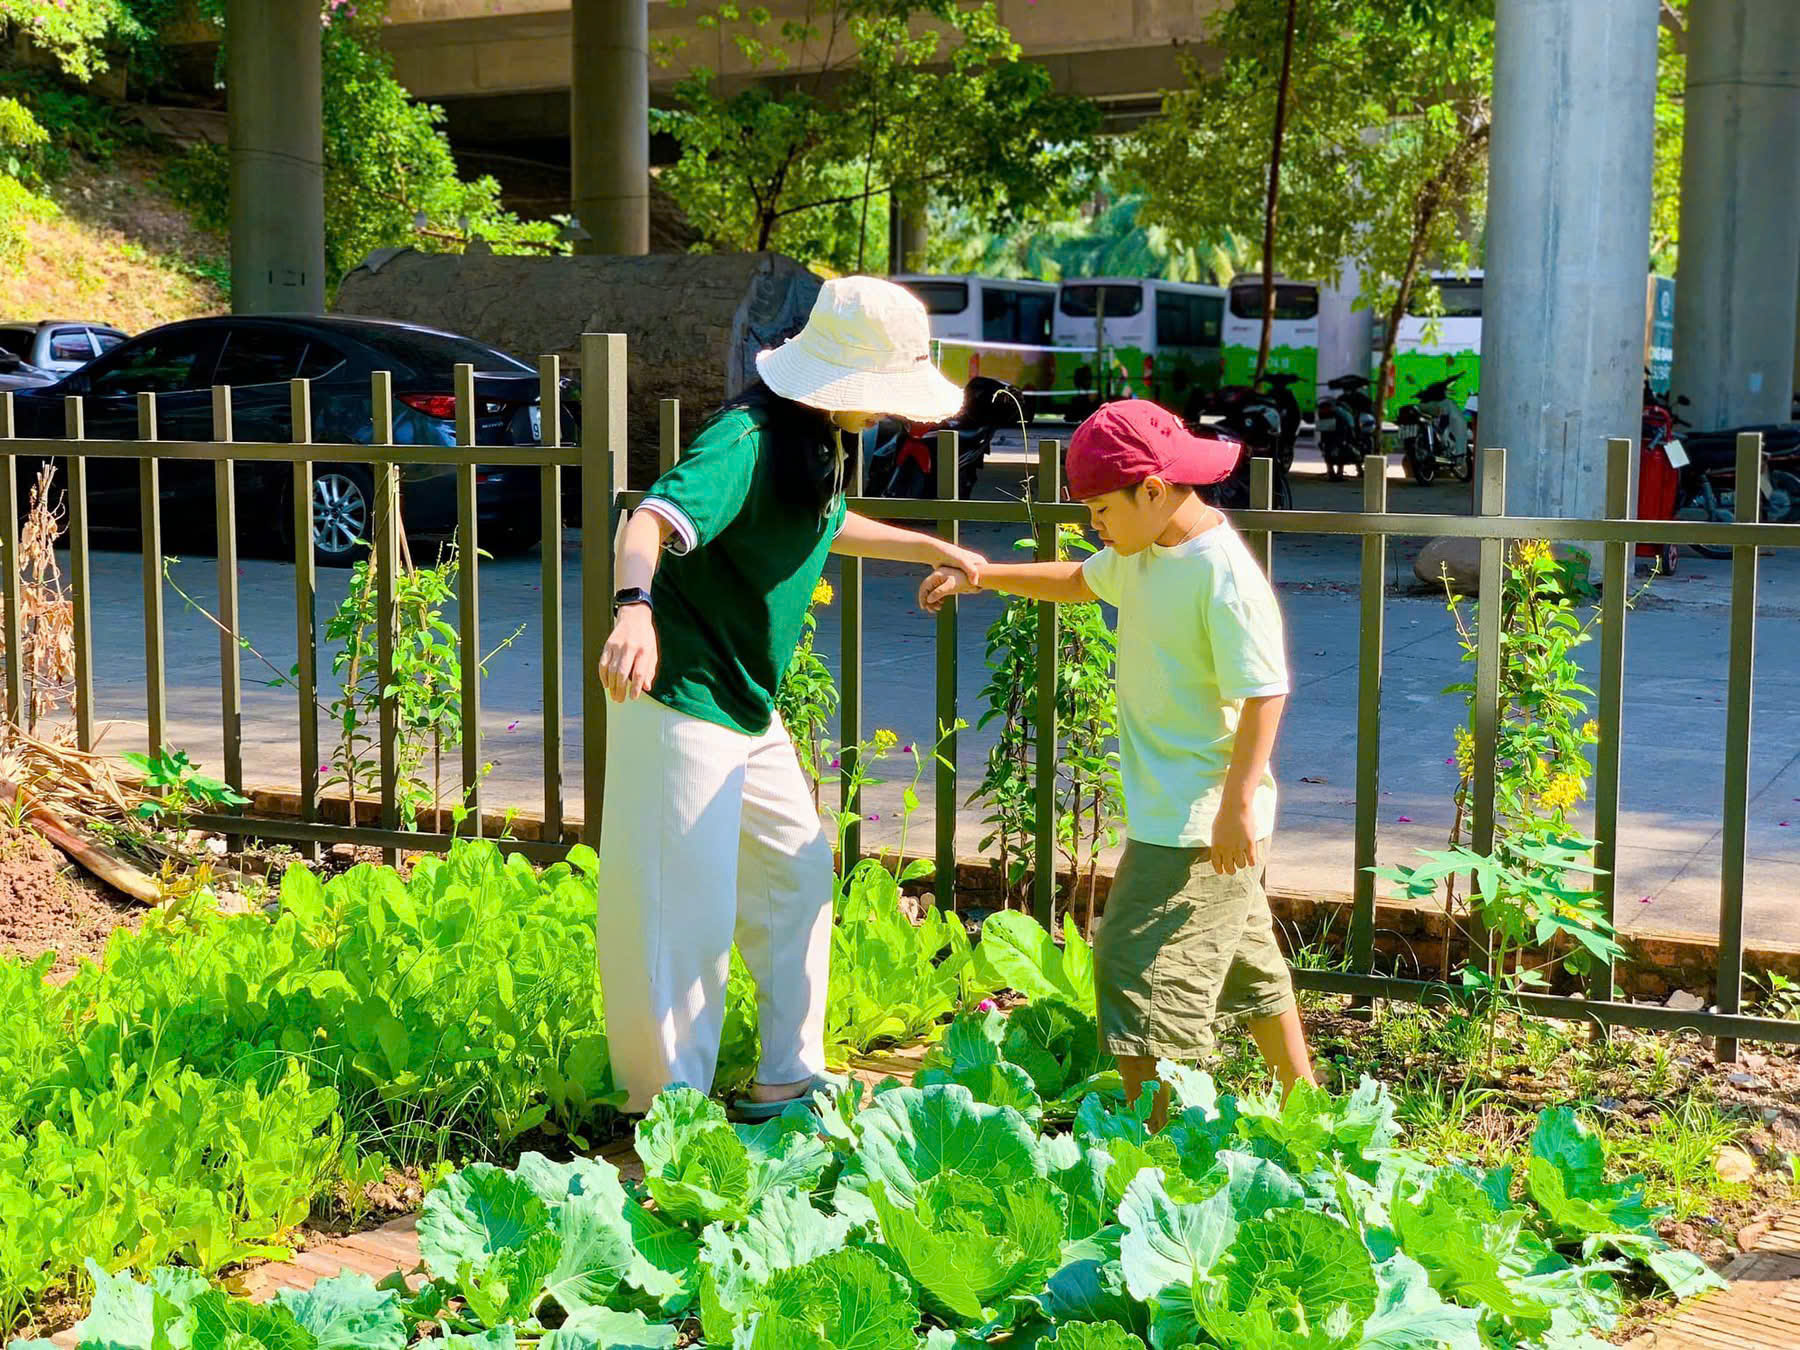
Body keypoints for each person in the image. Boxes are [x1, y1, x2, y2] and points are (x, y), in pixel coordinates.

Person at [595, 276, 985, 1120]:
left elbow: (824, 522)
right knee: (680, 918)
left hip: (744, 701)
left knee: (796, 871)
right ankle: (665, 1116)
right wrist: (634, 611)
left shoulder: (818, 436)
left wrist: (925, 544)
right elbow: (647, 520)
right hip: (682, 695)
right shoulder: (746, 438)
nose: (891, 409)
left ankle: (787, 1077)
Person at [920, 399, 1316, 1127]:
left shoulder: (1221, 574)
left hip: (1198, 819)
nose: (1093, 524)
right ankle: (1308, 1114)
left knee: (1134, 975)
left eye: (1101, 509)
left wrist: (1234, 807)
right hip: (1186, 809)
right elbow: (1079, 580)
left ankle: (1155, 1146)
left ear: (1154, 490)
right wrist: (983, 575)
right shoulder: (1146, 552)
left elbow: (1266, 692)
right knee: (1249, 966)